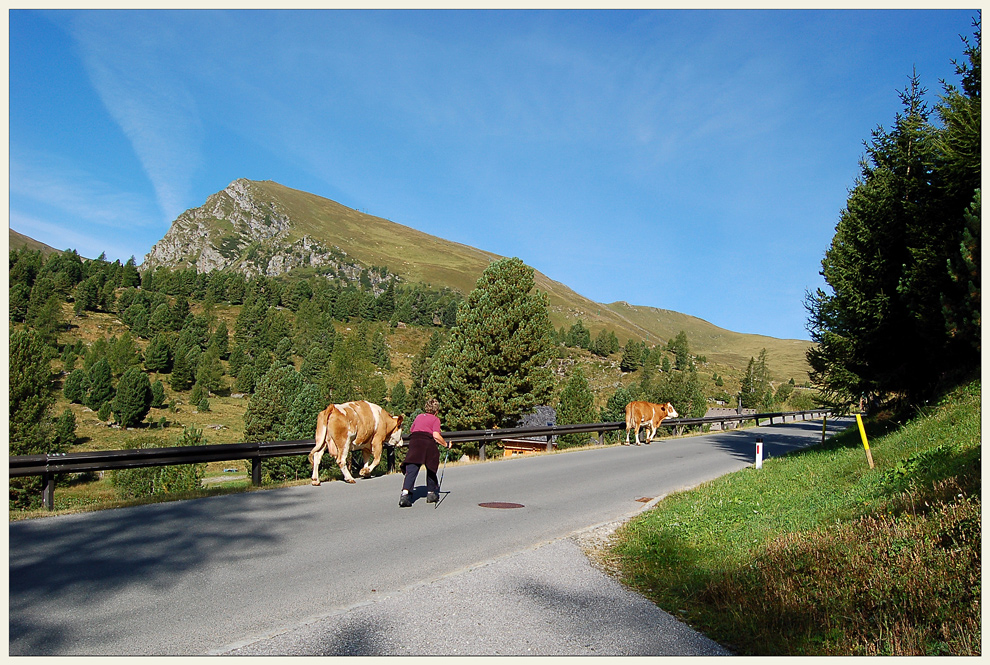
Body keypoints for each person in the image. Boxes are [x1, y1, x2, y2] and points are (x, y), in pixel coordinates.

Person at [399, 397, 451, 507]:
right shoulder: (435, 419)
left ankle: (405, 494)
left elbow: (412, 430)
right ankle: (431, 493)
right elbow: (436, 436)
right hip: (427, 443)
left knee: (412, 468)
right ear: (436, 411)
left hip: (414, 441)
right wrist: (446, 444)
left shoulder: (418, 417)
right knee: (431, 466)